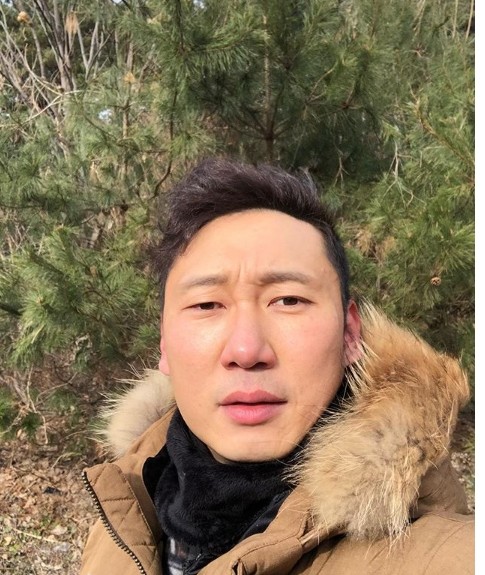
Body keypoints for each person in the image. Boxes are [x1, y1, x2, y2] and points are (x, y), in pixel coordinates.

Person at [80, 158, 474, 575]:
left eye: (288, 300)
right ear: (164, 341)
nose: (246, 350)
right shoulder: (123, 519)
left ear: (349, 334)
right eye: (207, 304)